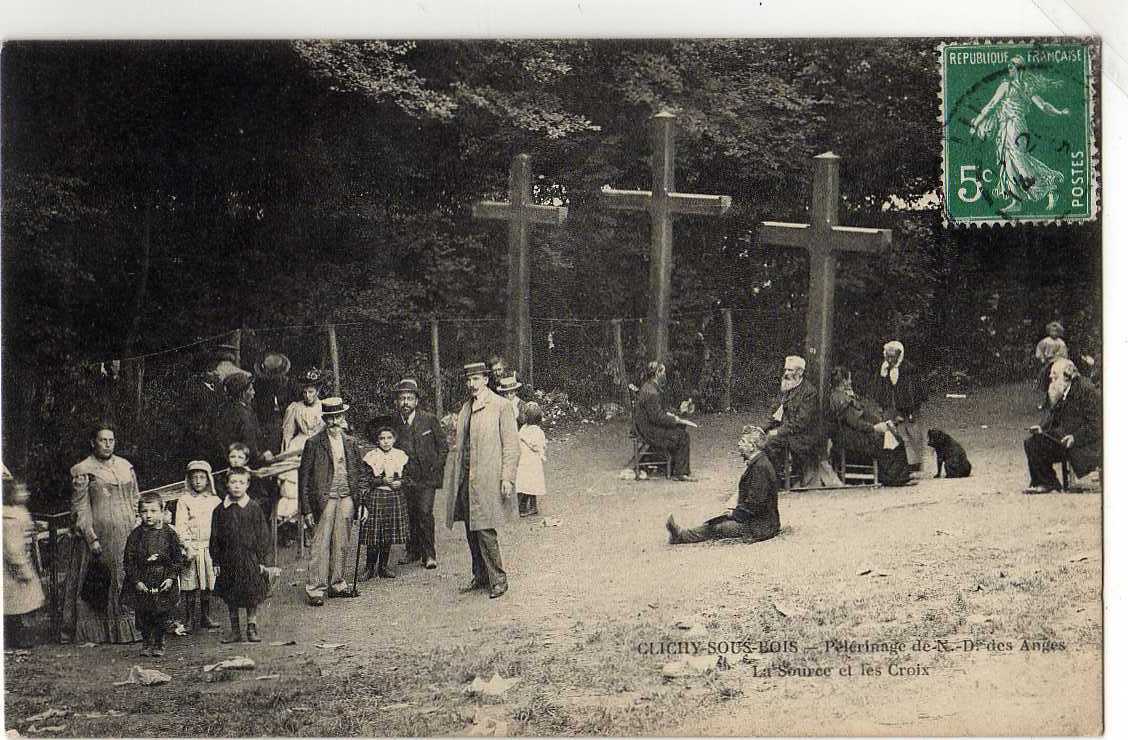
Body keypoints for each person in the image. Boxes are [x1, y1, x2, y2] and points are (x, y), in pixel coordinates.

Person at [443, 362, 520, 599]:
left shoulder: (501, 406)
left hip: (487, 478)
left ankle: (499, 579)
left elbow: (512, 446)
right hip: (466, 478)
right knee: (470, 528)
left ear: (486, 380)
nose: (472, 384)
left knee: (485, 529)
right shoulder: (466, 407)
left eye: (476, 379)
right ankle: (480, 575)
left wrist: (507, 477)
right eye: (469, 380)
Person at [61, 424, 142, 644]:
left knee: (126, 575)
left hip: (127, 532)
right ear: (93, 442)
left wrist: (137, 520)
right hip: (100, 537)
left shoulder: (126, 466)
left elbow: (136, 497)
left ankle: (128, 629)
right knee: (99, 581)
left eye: (111, 440)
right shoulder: (83, 470)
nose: (107, 444)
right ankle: (98, 632)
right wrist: (91, 538)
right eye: (102, 440)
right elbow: (80, 508)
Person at [969, 55, 1070, 213]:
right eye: (1008, 67)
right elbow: (992, 105)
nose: (1008, 69)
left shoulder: (1016, 87)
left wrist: (1058, 112)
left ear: (1018, 69)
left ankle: (1047, 187)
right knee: (1009, 161)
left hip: (1015, 126)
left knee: (1018, 158)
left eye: (1011, 67)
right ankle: (1016, 201)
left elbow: (1042, 106)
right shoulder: (1015, 86)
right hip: (1006, 126)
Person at [298, 397, 365, 605]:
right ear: (325, 419)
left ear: (343, 417)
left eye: (338, 416)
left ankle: (337, 583)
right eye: (331, 418)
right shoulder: (314, 443)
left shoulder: (351, 443)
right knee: (320, 543)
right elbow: (304, 479)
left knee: (342, 542)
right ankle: (316, 588)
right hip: (323, 500)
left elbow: (360, 475)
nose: (335, 422)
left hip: (347, 497)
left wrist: (362, 503)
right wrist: (306, 509)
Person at [665, 426, 780, 545]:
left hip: (761, 526)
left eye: (743, 441)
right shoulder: (759, 462)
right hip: (759, 520)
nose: (739, 444)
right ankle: (682, 534)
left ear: (752, 446)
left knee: (718, 527)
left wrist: (734, 514)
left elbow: (755, 503)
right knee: (717, 521)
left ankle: (681, 536)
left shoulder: (760, 467)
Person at [121, 492, 188, 657]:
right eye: (144, 511)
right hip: (143, 579)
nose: (148, 515)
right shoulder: (135, 535)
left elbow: (177, 559)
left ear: (162, 511)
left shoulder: (169, 534)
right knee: (143, 613)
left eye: (153, 511)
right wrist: (136, 580)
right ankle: (146, 641)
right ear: (139, 514)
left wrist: (171, 578)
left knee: (161, 613)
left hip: (162, 578)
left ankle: (159, 641)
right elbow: (128, 561)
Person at [390, 378, 448, 570]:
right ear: (397, 402)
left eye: (409, 398)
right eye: (402, 399)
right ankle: (413, 551)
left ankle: (429, 554)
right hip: (405, 477)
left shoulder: (429, 419)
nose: (405, 402)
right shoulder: (393, 424)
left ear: (416, 401)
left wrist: (435, 469)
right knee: (410, 514)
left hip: (427, 478)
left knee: (424, 512)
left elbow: (443, 447)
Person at [210, 467, 272, 642]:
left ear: (247, 485)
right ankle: (235, 630)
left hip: (249, 558)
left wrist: (262, 560)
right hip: (228, 559)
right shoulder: (220, 510)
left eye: (241, 482)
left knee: (251, 593)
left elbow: (263, 535)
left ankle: (251, 627)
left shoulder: (253, 508)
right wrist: (216, 561)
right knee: (231, 595)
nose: (237, 486)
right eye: (233, 482)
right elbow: (214, 536)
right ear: (227, 484)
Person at [1023, 358, 1101, 494]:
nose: (1050, 377)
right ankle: (1046, 482)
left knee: (1035, 444)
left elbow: (1097, 425)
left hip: (1083, 443)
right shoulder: (1063, 390)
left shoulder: (1086, 390)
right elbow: (1054, 417)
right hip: (1065, 437)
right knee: (1032, 442)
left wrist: (1075, 437)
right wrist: (1042, 429)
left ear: (1067, 377)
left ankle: (1047, 482)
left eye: (1055, 375)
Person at [826, 367, 911, 487]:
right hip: (850, 437)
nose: (850, 382)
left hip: (851, 434)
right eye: (849, 379)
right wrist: (874, 428)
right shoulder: (841, 398)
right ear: (844, 381)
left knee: (891, 436)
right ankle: (892, 478)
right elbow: (855, 422)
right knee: (888, 439)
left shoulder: (840, 395)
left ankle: (896, 476)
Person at [278, 368, 326, 545]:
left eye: (311, 391)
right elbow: (288, 434)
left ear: (318, 391)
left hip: (320, 446)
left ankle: (317, 527)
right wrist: (286, 454)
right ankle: (298, 529)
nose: (307, 395)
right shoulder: (295, 408)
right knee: (296, 484)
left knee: (318, 483)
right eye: (305, 392)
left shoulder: (324, 407)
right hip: (300, 445)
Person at [173, 460, 222, 633]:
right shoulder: (184, 500)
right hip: (191, 548)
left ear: (208, 479)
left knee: (207, 583)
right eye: (195, 477)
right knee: (190, 584)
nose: (198, 481)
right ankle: (188, 618)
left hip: (209, 547)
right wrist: (186, 546)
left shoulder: (215, 501)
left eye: (202, 477)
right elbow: (180, 525)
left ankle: (205, 616)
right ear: (189, 479)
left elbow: (219, 525)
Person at [763, 356, 822, 487]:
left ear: (800, 372)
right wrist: (761, 428)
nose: (786, 373)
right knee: (758, 438)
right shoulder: (786, 389)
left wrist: (777, 431)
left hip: (802, 436)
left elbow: (800, 423)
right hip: (788, 432)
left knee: (770, 442)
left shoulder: (809, 392)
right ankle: (767, 479)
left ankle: (774, 481)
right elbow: (774, 413)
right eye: (786, 370)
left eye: (790, 370)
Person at [359, 427, 410, 580]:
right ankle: (369, 567)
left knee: (388, 533)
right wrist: (381, 480)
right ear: (377, 440)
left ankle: (383, 567)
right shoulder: (371, 457)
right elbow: (365, 479)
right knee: (375, 534)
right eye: (382, 438)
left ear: (394, 439)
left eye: (389, 438)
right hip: (377, 497)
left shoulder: (400, 456)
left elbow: (408, 477)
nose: (386, 441)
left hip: (393, 496)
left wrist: (400, 482)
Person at [4, 467, 46, 649]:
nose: (25, 494)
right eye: (20, 491)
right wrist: (23, 568)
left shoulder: (18, 512)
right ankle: (17, 637)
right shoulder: (9, 518)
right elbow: (13, 548)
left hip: (16, 562)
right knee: (19, 603)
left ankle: (15, 635)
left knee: (16, 603)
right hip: (12, 568)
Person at [633, 361, 695, 482]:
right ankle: (680, 472)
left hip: (646, 427)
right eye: (663, 372)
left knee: (679, 430)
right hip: (649, 431)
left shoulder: (649, 387)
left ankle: (672, 467)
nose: (665, 375)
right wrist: (675, 419)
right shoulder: (652, 392)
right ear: (657, 373)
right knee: (683, 436)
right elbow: (657, 417)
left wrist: (678, 412)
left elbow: (658, 411)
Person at [872, 341, 927, 473]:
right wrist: (882, 405)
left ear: (899, 355)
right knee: (892, 434)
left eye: (893, 356)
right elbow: (880, 389)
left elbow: (914, 391)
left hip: (908, 408)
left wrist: (912, 410)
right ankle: (896, 464)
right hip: (890, 407)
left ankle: (916, 464)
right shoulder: (883, 370)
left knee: (912, 433)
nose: (890, 359)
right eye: (888, 356)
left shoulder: (909, 369)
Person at [516, 401, 547, 517]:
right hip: (524, 461)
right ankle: (525, 506)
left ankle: (530, 507)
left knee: (530, 484)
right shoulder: (524, 427)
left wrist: (525, 440)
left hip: (532, 462)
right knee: (525, 484)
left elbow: (537, 445)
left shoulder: (537, 431)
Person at [1035, 322, 1069, 410]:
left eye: (1056, 331)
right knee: (1045, 381)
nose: (1054, 333)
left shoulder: (1061, 343)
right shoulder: (1045, 341)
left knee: (1056, 383)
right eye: (1052, 331)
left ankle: (1055, 402)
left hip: (1058, 364)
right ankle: (1044, 402)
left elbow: (1064, 354)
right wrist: (1042, 358)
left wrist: (1061, 361)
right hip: (1048, 362)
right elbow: (1039, 351)